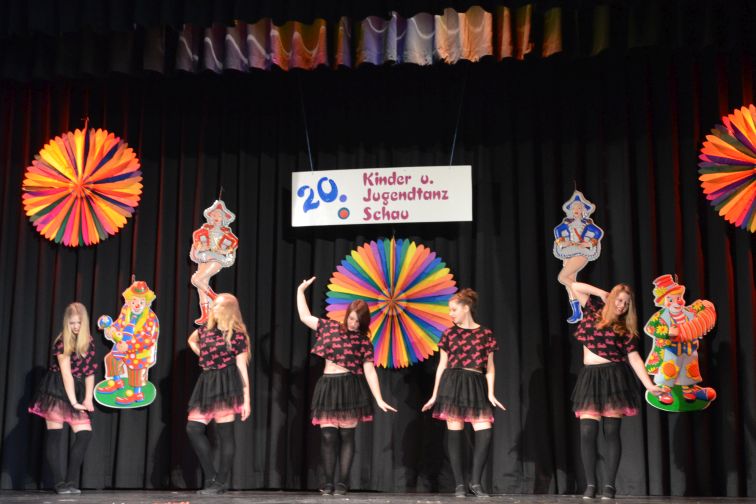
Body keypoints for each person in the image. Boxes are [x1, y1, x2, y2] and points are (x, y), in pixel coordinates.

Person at [297, 276, 396, 496]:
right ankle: (327, 482)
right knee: (328, 436)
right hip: (328, 386)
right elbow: (304, 317)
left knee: (347, 437)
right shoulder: (330, 327)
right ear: (347, 315)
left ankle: (342, 482)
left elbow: (369, 370)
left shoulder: (363, 342)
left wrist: (379, 398)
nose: (353, 324)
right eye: (351, 319)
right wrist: (300, 291)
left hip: (350, 388)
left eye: (357, 322)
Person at [569, 282, 664, 499]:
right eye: (620, 300)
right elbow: (574, 285)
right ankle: (591, 484)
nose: (622, 305)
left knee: (611, 432)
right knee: (587, 431)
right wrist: (603, 293)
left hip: (614, 377)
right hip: (590, 377)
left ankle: (609, 486)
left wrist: (649, 385)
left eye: (626, 303)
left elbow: (634, 358)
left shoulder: (625, 328)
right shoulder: (593, 310)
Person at [421, 288, 505, 498]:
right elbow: (442, 366)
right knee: (455, 433)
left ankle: (475, 482)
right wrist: (434, 395)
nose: (450, 314)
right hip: (453, 383)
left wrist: (491, 393)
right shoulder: (449, 334)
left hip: (476, 383)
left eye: (453, 309)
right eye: (450, 310)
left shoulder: (485, 334)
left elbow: (490, 367)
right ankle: (459, 484)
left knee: (485, 432)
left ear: (466, 308)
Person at [186, 293, 251, 495]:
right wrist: (204, 356)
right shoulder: (205, 330)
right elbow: (191, 341)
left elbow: (242, 367)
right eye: (213, 305)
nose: (212, 308)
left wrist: (246, 399)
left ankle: (220, 482)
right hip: (207, 381)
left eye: (217, 305)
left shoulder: (237, 336)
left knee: (225, 435)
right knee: (193, 428)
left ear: (228, 309)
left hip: (227, 384)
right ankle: (211, 477)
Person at [29, 302, 97, 494]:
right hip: (57, 389)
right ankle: (59, 483)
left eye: (78, 322)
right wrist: (74, 402)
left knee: (85, 434)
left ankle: (70, 482)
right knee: (55, 435)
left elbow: (90, 372)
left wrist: (88, 398)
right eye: (72, 322)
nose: (75, 326)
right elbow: (66, 374)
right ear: (67, 323)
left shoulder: (89, 341)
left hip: (76, 387)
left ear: (84, 322)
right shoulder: (62, 342)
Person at [190, 200, 239, 325]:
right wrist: (201, 247)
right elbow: (197, 246)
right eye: (214, 214)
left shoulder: (228, 235)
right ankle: (205, 314)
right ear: (210, 217)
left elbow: (230, 249)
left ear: (224, 218)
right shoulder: (202, 232)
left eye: (219, 215)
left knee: (196, 279)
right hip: (203, 257)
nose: (216, 217)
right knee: (201, 286)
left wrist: (223, 250)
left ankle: (215, 298)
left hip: (217, 258)